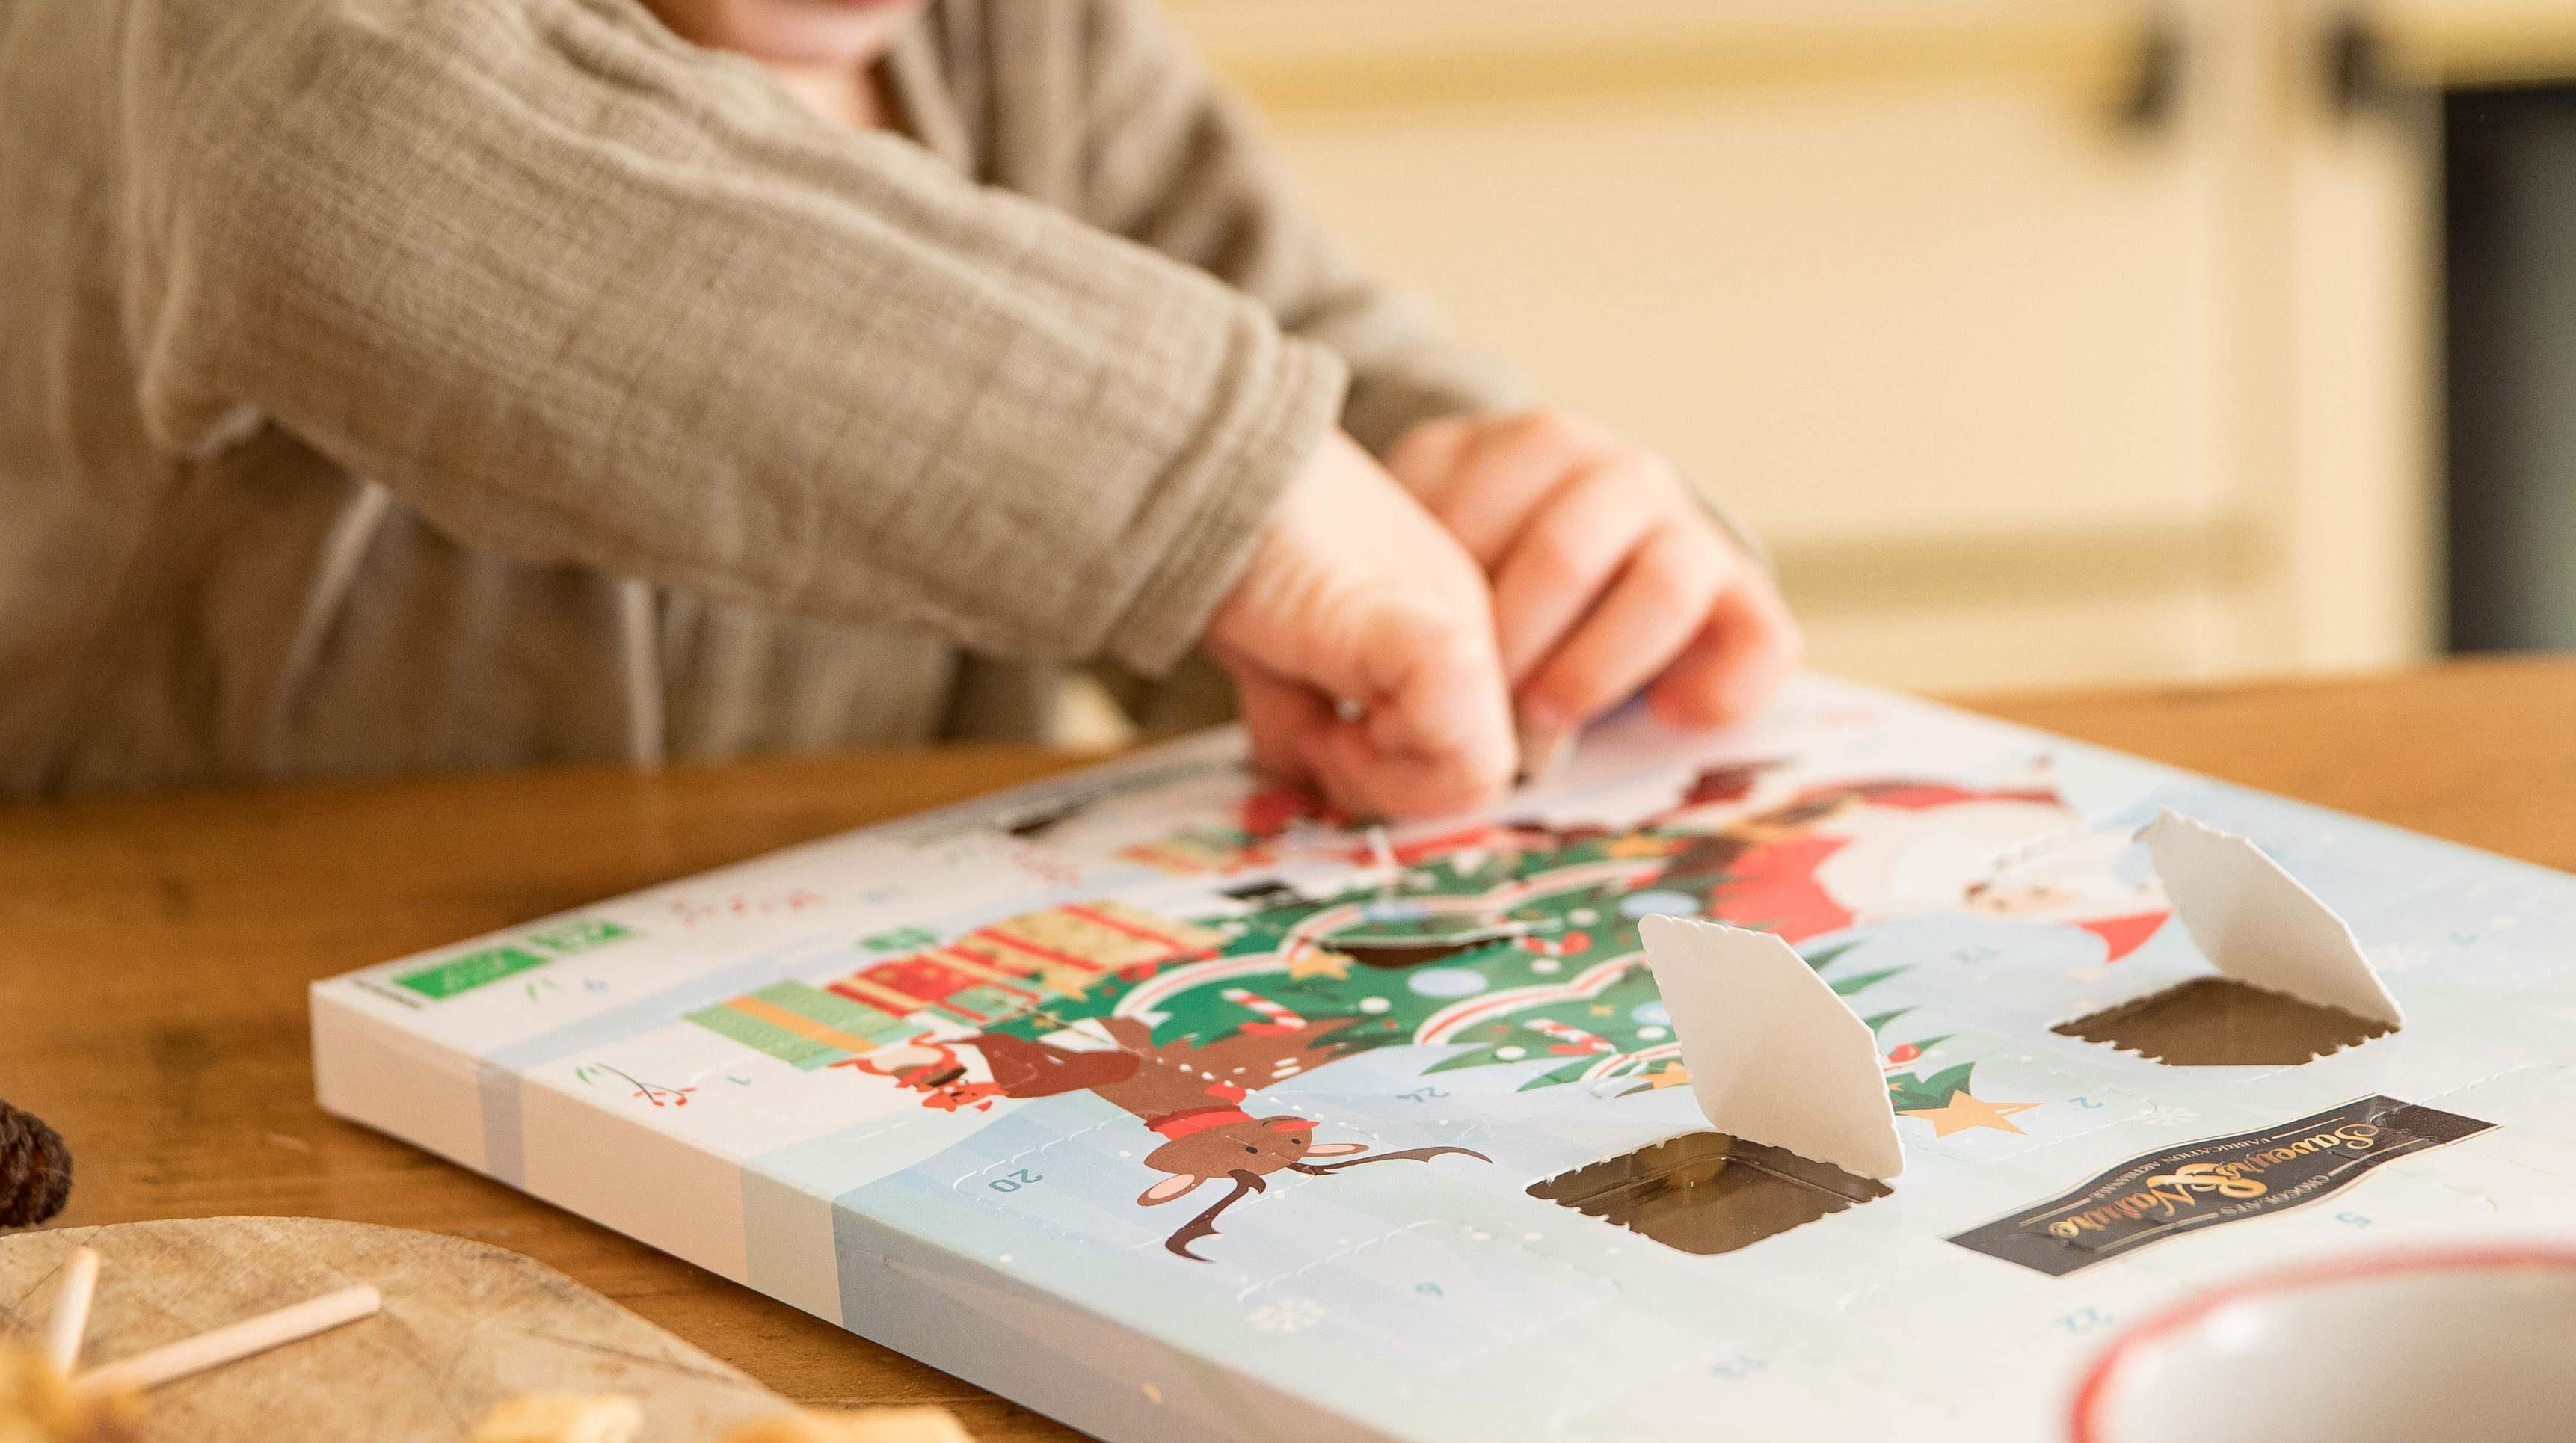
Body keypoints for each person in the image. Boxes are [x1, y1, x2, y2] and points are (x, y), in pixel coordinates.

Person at [0, 0, 1798, 816]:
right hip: (203, 1069)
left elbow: (1314, 372)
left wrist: (1514, 524)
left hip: (799, 1111)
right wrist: (1234, 489)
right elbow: (333, 166)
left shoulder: (1027, 48)